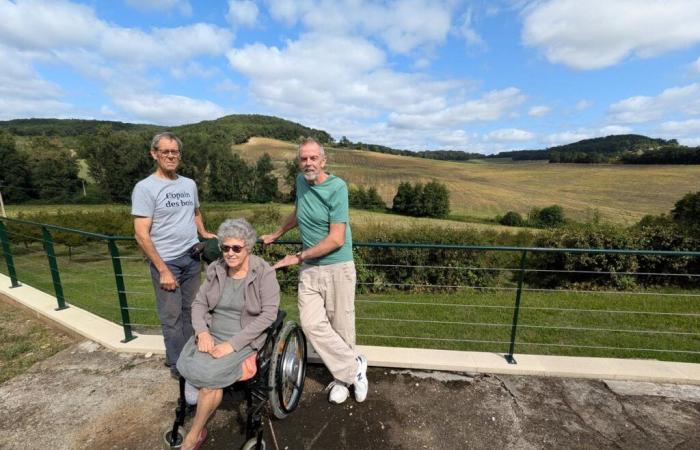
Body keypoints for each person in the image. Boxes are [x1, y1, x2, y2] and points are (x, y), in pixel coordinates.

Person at [261, 137, 368, 405]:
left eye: (313, 158)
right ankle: (356, 368)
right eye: (303, 159)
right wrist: (276, 233)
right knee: (310, 323)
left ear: (323, 161)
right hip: (310, 268)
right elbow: (300, 211)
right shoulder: (301, 182)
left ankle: (343, 380)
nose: (308, 163)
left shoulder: (337, 188)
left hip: (336, 267)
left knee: (341, 324)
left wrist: (297, 257)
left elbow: (336, 239)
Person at [176, 218, 280, 450]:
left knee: (209, 380)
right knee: (196, 365)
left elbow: (268, 315)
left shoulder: (264, 273)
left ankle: (193, 435)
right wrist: (202, 332)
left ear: (249, 247)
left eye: (236, 248)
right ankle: (201, 394)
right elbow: (199, 304)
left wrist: (232, 345)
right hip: (213, 332)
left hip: (243, 338)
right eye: (225, 247)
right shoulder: (216, 269)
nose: (230, 253)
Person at [132, 132, 216, 377]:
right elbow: (141, 235)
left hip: (191, 257)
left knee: (193, 311)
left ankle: (192, 357)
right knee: (171, 316)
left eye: (174, 151)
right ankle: (178, 365)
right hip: (166, 262)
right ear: (154, 154)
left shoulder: (188, 184)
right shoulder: (145, 188)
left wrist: (203, 233)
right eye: (165, 151)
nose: (171, 155)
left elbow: (196, 212)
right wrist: (163, 270)